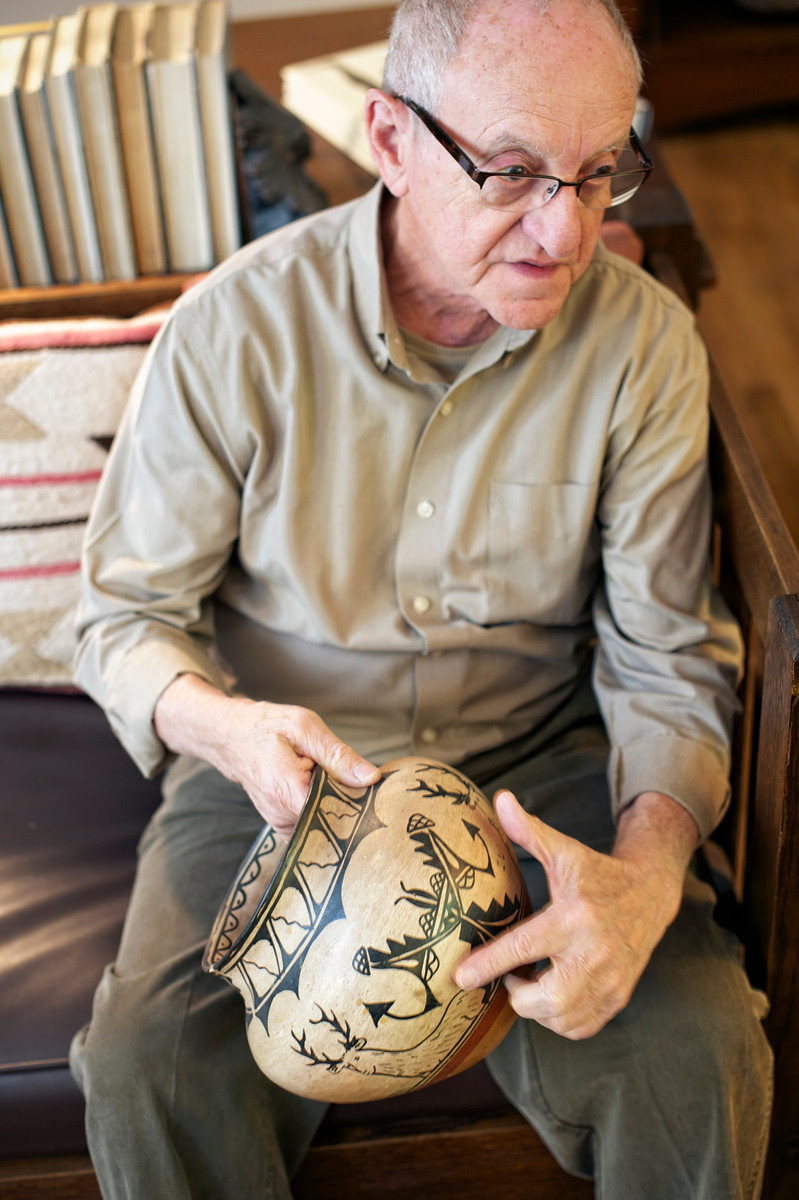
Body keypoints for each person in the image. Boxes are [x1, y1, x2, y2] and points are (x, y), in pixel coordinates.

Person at [71, 1, 773, 1197]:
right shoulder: (234, 330)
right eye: (510, 172)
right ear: (390, 140)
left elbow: (667, 655)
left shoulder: (645, 346)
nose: (563, 229)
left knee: (697, 1051)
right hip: (284, 777)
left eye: (599, 173)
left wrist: (650, 876)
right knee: (150, 1071)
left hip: (537, 761)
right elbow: (120, 619)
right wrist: (227, 728)